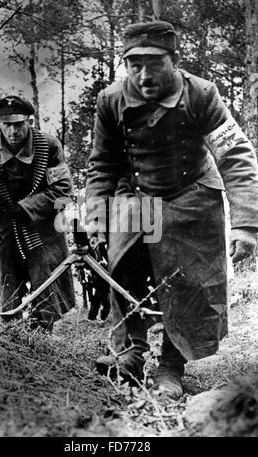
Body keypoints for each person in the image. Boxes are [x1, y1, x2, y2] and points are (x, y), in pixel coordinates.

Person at [85, 21, 258, 398]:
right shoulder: (110, 100)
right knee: (121, 265)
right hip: (138, 195)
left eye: (154, 63)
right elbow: (102, 165)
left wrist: (245, 225)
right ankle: (131, 350)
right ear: (125, 65)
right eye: (135, 65)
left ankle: (171, 367)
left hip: (191, 194)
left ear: (174, 61)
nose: (144, 75)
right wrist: (97, 220)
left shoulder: (201, 95)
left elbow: (236, 156)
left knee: (188, 282)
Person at [0, 95, 76, 331]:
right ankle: (10, 327)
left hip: (41, 221)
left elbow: (63, 188)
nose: (12, 131)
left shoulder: (49, 145)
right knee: (5, 269)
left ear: (29, 122)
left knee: (44, 267)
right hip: (0, 221)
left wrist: (28, 207)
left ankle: (42, 329)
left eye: (18, 124)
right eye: (7, 124)